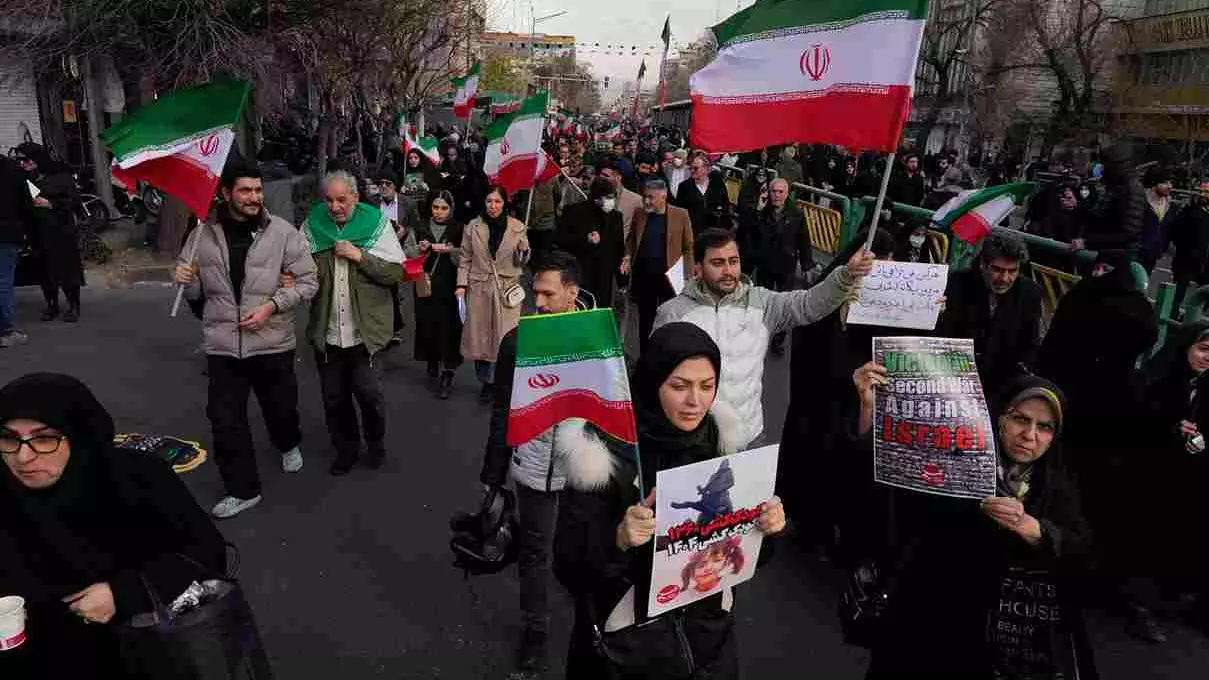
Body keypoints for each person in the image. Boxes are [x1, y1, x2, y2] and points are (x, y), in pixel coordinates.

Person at [554, 322, 786, 680]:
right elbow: (568, 566)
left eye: (707, 386)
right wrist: (619, 539)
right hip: (627, 651)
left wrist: (765, 528)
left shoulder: (720, 442)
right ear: (652, 382)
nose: (695, 401)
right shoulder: (600, 454)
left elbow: (745, 557)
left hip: (708, 645)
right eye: (679, 386)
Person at [853, 367, 1095, 679]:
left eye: (1045, 427)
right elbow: (879, 488)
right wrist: (870, 408)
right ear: (998, 418)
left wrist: (1035, 529)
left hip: (1004, 643)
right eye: (1020, 419)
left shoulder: (1057, 485)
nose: (1030, 435)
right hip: (924, 623)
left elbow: (1085, 555)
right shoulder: (954, 454)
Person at [0, 373, 228, 676]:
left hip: (142, 650)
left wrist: (122, 594)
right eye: (8, 438)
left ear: (80, 434)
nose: (23, 456)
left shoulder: (138, 478)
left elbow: (208, 555)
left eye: (44, 439)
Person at [174, 162, 317, 518]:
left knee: (280, 409)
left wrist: (272, 306)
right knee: (224, 419)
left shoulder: (283, 233)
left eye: (257, 190)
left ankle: (288, 443)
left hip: (272, 342)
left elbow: (308, 283)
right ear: (226, 194)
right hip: (223, 344)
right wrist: (183, 278)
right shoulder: (199, 235)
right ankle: (243, 489)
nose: (254, 197)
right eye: (245, 191)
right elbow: (194, 293)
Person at [480, 252, 596, 673]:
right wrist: (493, 473)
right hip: (531, 469)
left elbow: (616, 409)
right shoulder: (517, 342)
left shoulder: (598, 340)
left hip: (583, 472)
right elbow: (502, 412)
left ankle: (594, 626)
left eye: (549, 293)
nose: (540, 301)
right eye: (536, 292)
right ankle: (536, 630)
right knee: (534, 554)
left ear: (572, 291)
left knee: (586, 554)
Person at [655, 228, 870, 448]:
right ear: (698, 269)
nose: (728, 270)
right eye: (718, 263)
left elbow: (808, 304)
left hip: (750, 438)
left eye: (733, 261)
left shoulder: (762, 303)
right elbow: (655, 381)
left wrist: (846, 276)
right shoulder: (672, 313)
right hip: (693, 443)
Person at [303, 171, 405, 475]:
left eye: (341, 199)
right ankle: (345, 450)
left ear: (356, 198)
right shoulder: (312, 226)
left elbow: (395, 274)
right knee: (334, 400)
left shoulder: (376, 224)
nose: (335, 206)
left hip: (366, 334)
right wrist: (291, 276)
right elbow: (298, 267)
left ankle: (375, 443)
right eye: (329, 200)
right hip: (328, 333)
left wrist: (359, 255)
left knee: (369, 395)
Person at [1139, 320, 1209, 637]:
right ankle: (1141, 605)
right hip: (1153, 476)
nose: (1208, 358)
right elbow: (1134, 421)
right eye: (1203, 349)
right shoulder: (1159, 379)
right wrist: (1169, 427)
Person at [937, 232, 1042, 388]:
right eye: (998, 270)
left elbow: (1030, 345)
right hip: (955, 377)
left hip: (1004, 381)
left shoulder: (1030, 292)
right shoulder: (956, 284)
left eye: (1012, 271)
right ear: (982, 264)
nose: (1005, 278)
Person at [457, 185, 530, 403]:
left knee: (505, 338)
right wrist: (461, 285)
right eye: (489, 201)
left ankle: (504, 381)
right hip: (480, 287)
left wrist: (524, 250)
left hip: (507, 289)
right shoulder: (472, 226)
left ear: (504, 203)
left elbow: (522, 262)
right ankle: (486, 383)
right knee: (481, 339)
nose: (493, 206)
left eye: (497, 202)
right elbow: (465, 258)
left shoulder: (517, 227)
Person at [625, 178, 694, 353]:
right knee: (645, 321)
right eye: (644, 197)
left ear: (663, 196)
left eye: (651, 197)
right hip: (644, 278)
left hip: (668, 280)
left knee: (668, 319)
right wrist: (627, 256)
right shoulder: (640, 213)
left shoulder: (681, 215)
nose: (646, 201)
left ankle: (666, 355)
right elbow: (632, 240)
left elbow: (689, 247)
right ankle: (645, 356)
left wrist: (687, 275)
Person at [16, 143, 83, 323]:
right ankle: (52, 304)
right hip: (36, 231)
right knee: (44, 270)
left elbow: (74, 201)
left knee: (66, 269)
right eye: (19, 160)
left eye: (25, 159)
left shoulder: (60, 175)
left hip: (60, 230)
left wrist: (52, 204)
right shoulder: (25, 179)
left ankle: (73, 305)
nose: (23, 164)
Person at [412, 190, 464, 399]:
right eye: (436, 207)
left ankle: (448, 372)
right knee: (428, 326)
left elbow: (467, 258)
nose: (440, 212)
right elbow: (408, 254)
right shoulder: (421, 226)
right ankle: (432, 361)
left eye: (444, 208)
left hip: (450, 288)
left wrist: (451, 251)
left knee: (450, 329)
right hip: (426, 286)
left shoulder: (459, 229)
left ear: (451, 209)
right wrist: (420, 250)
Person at [556, 177, 625, 308]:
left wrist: (622, 279)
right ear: (597, 197)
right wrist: (585, 239)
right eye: (608, 197)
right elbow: (561, 240)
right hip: (581, 274)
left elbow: (618, 247)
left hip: (604, 277)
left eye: (613, 197)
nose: (611, 201)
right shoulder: (574, 212)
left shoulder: (616, 217)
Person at [0, 155, 34, 348]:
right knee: (3, 282)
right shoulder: (13, 170)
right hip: (6, 233)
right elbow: (26, 204)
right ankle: (6, 331)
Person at [1170, 180, 1209, 316]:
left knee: (1204, 291)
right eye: (1202, 192)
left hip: (1202, 259)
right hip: (1187, 258)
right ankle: (1173, 315)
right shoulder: (1190, 212)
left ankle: (1192, 317)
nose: (1204, 195)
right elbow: (1175, 231)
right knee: (1180, 289)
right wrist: (1185, 248)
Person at [675, 152, 732, 234]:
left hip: (715, 231)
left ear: (706, 168)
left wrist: (726, 229)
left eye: (695, 168)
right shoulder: (684, 186)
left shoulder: (718, 184)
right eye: (690, 168)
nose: (692, 171)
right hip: (693, 231)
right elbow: (680, 212)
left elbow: (725, 205)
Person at [1139, 166, 1179, 274]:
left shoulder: (1169, 206)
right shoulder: (1140, 201)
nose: (1170, 186)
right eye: (1165, 183)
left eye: (1171, 183)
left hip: (1153, 254)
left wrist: (1161, 248)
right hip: (1135, 253)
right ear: (1154, 183)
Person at [599, 159, 643, 242]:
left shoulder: (635, 200)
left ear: (618, 178)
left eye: (606, 175)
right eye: (600, 174)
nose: (601, 177)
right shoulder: (594, 196)